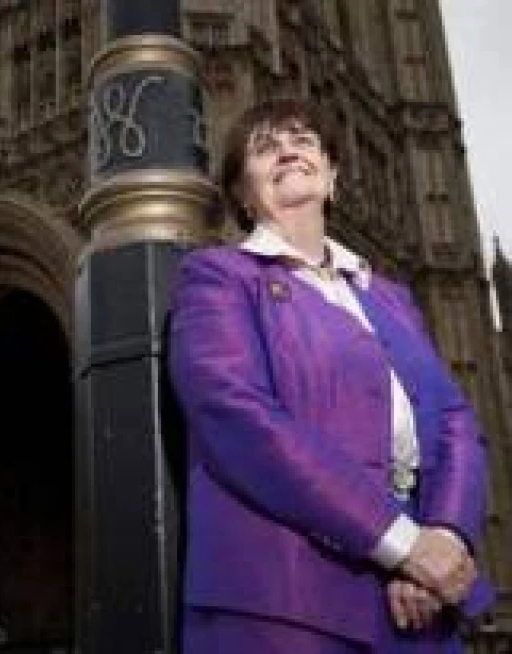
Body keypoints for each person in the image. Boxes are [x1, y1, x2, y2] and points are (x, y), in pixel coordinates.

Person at [167, 97, 493, 653]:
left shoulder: (389, 298)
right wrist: (401, 544)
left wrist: (444, 537)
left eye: (304, 141)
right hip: (287, 610)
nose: (289, 151)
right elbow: (235, 415)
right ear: (243, 194)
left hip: (419, 608)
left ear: (333, 176)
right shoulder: (218, 277)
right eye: (266, 148)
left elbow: (455, 420)